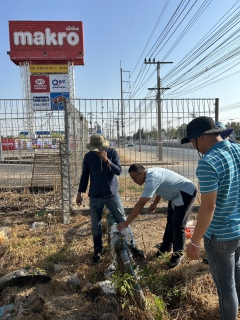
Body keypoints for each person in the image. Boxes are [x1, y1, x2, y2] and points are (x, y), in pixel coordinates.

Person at [181, 116, 240, 320]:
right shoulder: (237, 150)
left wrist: (195, 242)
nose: (192, 146)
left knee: (225, 286)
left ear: (200, 138)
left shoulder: (208, 162)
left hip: (221, 234)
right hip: (238, 228)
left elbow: (208, 207)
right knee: (236, 271)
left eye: (191, 141)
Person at [76, 134, 145, 263]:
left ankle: (132, 245)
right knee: (95, 224)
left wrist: (107, 161)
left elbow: (118, 171)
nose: (97, 152)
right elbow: (85, 176)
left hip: (111, 193)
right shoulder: (88, 157)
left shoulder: (112, 153)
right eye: (95, 150)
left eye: (99, 150)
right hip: (96, 194)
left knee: (122, 220)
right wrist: (80, 193)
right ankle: (98, 249)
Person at [117, 164, 197, 268]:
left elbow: (140, 204)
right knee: (170, 223)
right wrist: (155, 203)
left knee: (178, 225)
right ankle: (166, 246)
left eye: (134, 179)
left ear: (141, 173)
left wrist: (126, 223)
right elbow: (161, 187)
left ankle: (178, 254)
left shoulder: (152, 178)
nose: (134, 182)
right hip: (175, 194)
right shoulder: (151, 174)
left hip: (186, 193)